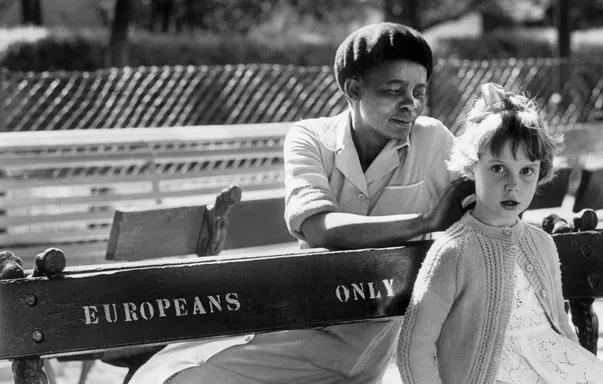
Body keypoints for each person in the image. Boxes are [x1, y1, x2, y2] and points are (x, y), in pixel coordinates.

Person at [130, 22, 473, 384]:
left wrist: (502, 128)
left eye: (419, 92)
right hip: (298, 325)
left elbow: (486, 193)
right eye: (394, 90)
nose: (411, 104)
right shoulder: (309, 138)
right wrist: (424, 221)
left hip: (368, 347)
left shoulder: (432, 140)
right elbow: (320, 229)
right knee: (166, 378)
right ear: (353, 88)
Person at [396, 82, 603, 384]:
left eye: (526, 171)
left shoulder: (541, 243)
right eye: (498, 168)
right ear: (472, 167)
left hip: (553, 368)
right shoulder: (453, 252)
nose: (513, 184)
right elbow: (415, 347)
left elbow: (561, 327)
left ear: (540, 172)